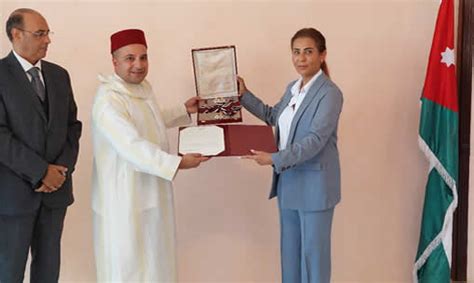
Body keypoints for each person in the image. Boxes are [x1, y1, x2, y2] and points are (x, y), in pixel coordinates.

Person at [91, 28, 208, 282]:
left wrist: (182, 111)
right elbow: (131, 144)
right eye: (130, 58)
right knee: (130, 269)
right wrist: (178, 163)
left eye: (143, 57)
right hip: (124, 201)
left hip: (150, 193)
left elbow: (148, 120)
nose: (138, 65)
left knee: (156, 264)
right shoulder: (109, 101)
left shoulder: (141, 89)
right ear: (114, 62)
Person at [238, 27, 343, 283]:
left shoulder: (330, 94)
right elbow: (273, 116)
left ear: (322, 55)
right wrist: (244, 95)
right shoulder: (293, 88)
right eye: (296, 52)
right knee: (291, 257)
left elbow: (315, 141)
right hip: (289, 183)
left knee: (313, 259)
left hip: (315, 187)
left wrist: (274, 159)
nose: (301, 58)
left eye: (308, 52)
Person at [0, 8, 82, 283]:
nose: (47, 40)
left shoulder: (60, 75)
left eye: (47, 33)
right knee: (9, 272)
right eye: (40, 34)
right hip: (13, 196)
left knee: (48, 273)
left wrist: (60, 171)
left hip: (55, 195)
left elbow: (73, 126)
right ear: (16, 35)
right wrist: (40, 171)